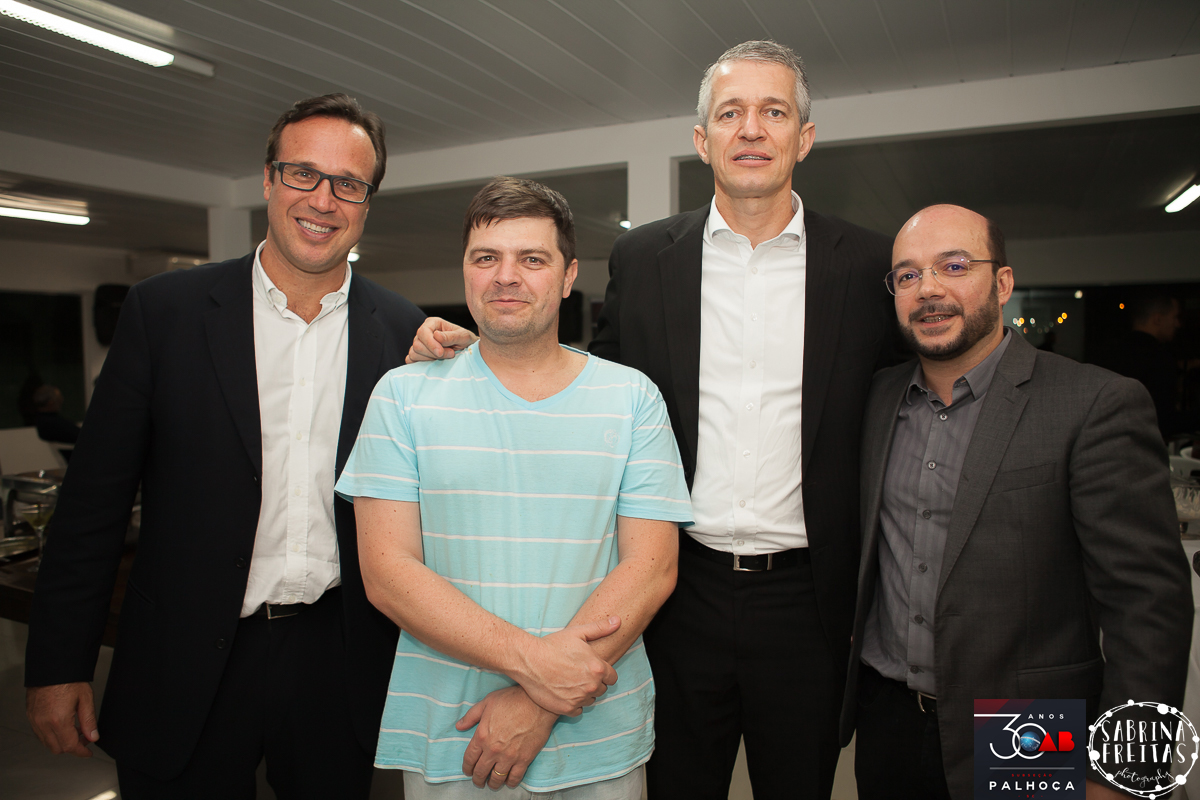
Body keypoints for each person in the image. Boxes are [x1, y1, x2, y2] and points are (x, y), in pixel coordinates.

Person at [407, 40, 899, 800]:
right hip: (677, 593)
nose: (752, 130)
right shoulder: (645, 257)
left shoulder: (868, 265)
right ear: (703, 141)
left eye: (774, 112)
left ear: (804, 137)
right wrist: (490, 352)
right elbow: (593, 383)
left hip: (808, 601)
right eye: (730, 113)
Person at [24, 93, 426, 799]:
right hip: (182, 657)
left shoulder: (401, 333)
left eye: (348, 184)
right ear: (269, 180)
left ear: (368, 202)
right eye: (303, 173)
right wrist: (59, 664)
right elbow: (93, 505)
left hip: (336, 662)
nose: (323, 199)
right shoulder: (165, 312)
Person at [336, 177, 692, 799]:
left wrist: (539, 701)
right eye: (486, 258)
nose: (507, 276)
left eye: (532, 259)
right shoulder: (402, 394)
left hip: (599, 733)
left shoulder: (632, 397)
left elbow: (652, 567)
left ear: (567, 274)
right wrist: (537, 669)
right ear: (466, 272)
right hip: (453, 736)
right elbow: (388, 572)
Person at [841, 204, 1192, 800]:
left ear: (1002, 283)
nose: (929, 290)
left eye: (954, 266)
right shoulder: (874, 401)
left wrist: (1126, 773)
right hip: (889, 722)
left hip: (1026, 726)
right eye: (907, 275)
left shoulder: (1093, 404)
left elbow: (1148, 604)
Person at [1102, 291, 1197, 440]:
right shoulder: (1160, 358)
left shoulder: (1110, 352)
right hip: (1142, 446)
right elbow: (1163, 420)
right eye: (1175, 317)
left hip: (1108, 440)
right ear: (1158, 319)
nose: (1177, 324)